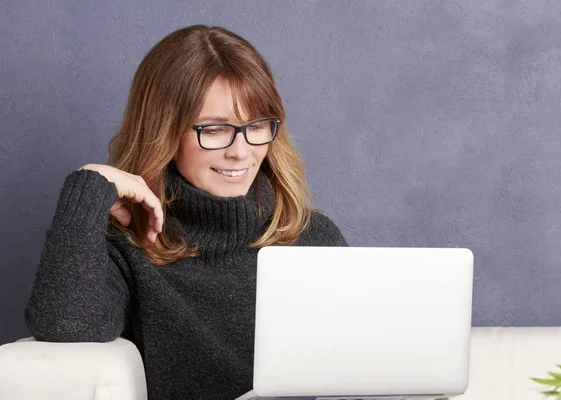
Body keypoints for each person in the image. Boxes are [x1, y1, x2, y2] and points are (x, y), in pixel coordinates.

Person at [24, 25, 347, 400]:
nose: (241, 152)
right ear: (164, 131)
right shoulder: (128, 247)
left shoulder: (314, 238)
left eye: (256, 126)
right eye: (214, 130)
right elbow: (64, 324)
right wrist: (89, 186)